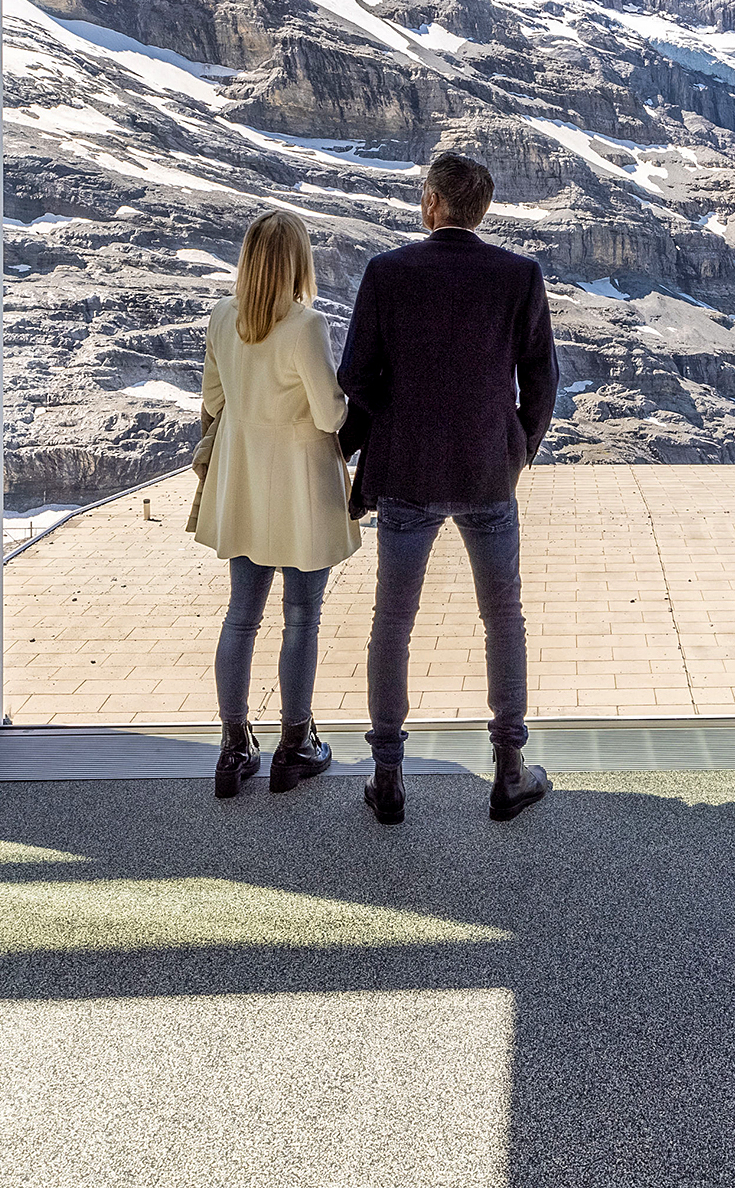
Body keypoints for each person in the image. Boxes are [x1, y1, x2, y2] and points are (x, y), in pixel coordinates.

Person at [337, 150, 559, 825]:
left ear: (431, 201)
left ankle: (388, 775)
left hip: (406, 472)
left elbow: (354, 375)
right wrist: (516, 447)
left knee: (392, 623)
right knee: (503, 619)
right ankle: (509, 770)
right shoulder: (517, 275)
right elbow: (541, 379)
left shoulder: (387, 272)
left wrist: (399, 414)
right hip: (488, 472)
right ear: (480, 208)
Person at [193, 208, 355, 799]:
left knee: (242, 614)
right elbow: (330, 413)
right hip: (300, 488)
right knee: (301, 618)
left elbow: (214, 398)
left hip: (243, 485)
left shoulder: (221, 317)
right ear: (297, 263)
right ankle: (295, 745)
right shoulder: (305, 326)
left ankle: (234, 749)